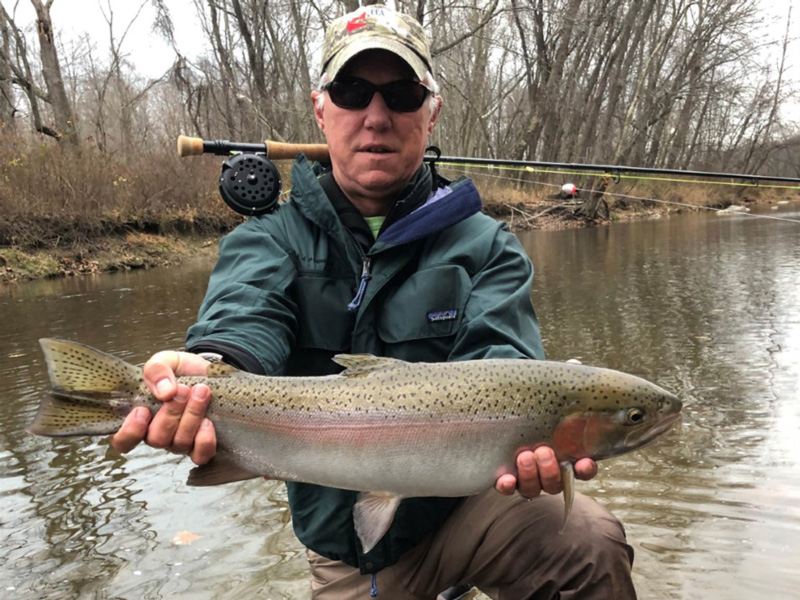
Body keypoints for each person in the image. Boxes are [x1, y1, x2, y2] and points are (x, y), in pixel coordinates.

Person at [111, 5, 636, 599]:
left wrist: (535, 440)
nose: (377, 116)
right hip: (345, 551)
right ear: (321, 108)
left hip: (475, 509)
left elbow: (505, 361)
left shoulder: (486, 246)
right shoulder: (268, 240)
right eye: (353, 91)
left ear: (431, 113)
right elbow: (243, 317)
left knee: (588, 541)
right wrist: (204, 370)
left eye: (403, 94)